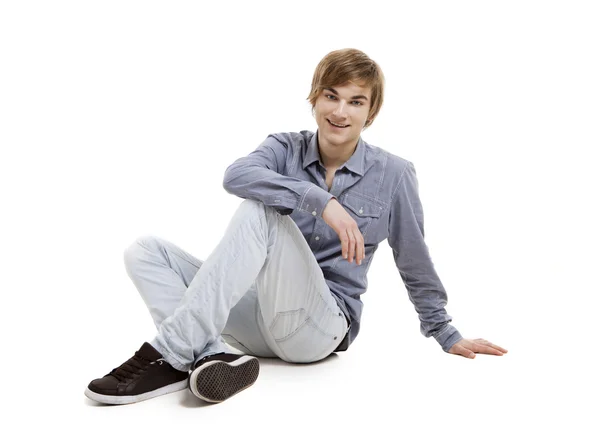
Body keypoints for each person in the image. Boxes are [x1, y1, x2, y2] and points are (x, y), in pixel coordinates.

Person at [84, 48, 507, 406]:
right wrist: (322, 203)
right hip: (255, 325)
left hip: (318, 329)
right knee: (145, 250)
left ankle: (170, 353)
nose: (340, 112)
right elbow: (236, 175)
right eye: (331, 96)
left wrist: (444, 331)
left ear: (371, 111)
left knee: (263, 211)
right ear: (314, 98)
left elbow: (413, 257)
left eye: (356, 101)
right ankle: (210, 356)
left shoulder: (393, 174)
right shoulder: (284, 147)